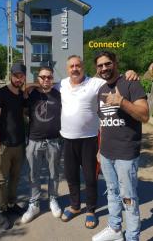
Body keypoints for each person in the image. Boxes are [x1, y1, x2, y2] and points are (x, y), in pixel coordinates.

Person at [58, 55, 137, 229]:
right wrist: (31, 86)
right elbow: (44, 87)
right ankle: (75, 206)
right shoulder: (62, 84)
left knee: (90, 177)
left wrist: (130, 73)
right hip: (68, 139)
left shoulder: (95, 83)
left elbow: (113, 78)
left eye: (78, 65)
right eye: (71, 66)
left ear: (83, 67)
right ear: (67, 69)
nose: (75, 69)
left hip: (89, 139)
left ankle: (91, 210)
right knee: (71, 176)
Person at [92, 51, 149, 241]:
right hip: (107, 153)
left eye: (107, 64)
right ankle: (115, 229)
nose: (104, 68)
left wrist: (122, 102)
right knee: (112, 192)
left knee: (129, 198)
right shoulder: (101, 90)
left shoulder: (131, 83)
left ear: (115, 63)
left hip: (126, 153)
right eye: (100, 66)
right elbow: (104, 122)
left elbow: (144, 115)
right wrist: (100, 149)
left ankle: (133, 237)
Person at [21, 66, 63, 224]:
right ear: (37, 78)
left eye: (49, 77)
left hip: (54, 141)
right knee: (33, 174)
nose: (46, 80)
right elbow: (23, 88)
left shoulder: (59, 94)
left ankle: (53, 199)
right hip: (34, 141)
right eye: (43, 77)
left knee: (54, 173)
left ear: (53, 79)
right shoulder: (31, 94)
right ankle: (34, 203)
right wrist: (35, 85)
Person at [0, 62, 27, 230]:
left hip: (19, 145)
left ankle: (12, 205)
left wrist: (33, 84)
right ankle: (3, 211)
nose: (19, 79)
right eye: (16, 75)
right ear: (10, 75)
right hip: (4, 146)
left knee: (15, 178)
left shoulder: (21, 94)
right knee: (1, 181)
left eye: (22, 76)